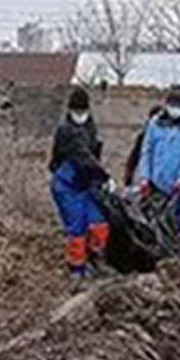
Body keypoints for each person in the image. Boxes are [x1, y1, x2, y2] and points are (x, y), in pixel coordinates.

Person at [134, 83, 180, 253]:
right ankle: (163, 251)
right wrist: (145, 177)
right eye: (172, 106)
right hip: (159, 181)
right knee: (159, 220)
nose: (174, 109)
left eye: (178, 106)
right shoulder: (155, 123)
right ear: (166, 104)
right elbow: (147, 150)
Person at [49, 86, 111, 281]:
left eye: (83, 111)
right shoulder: (66, 131)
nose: (80, 115)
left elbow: (93, 154)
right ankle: (77, 268)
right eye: (76, 112)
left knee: (98, 221)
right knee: (77, 227)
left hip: (86, 181)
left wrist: (98, 178)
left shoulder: (90, 127)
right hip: (66, 184)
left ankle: (95, 257)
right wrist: (104, 176)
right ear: (69, 110)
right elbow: (82, 156)